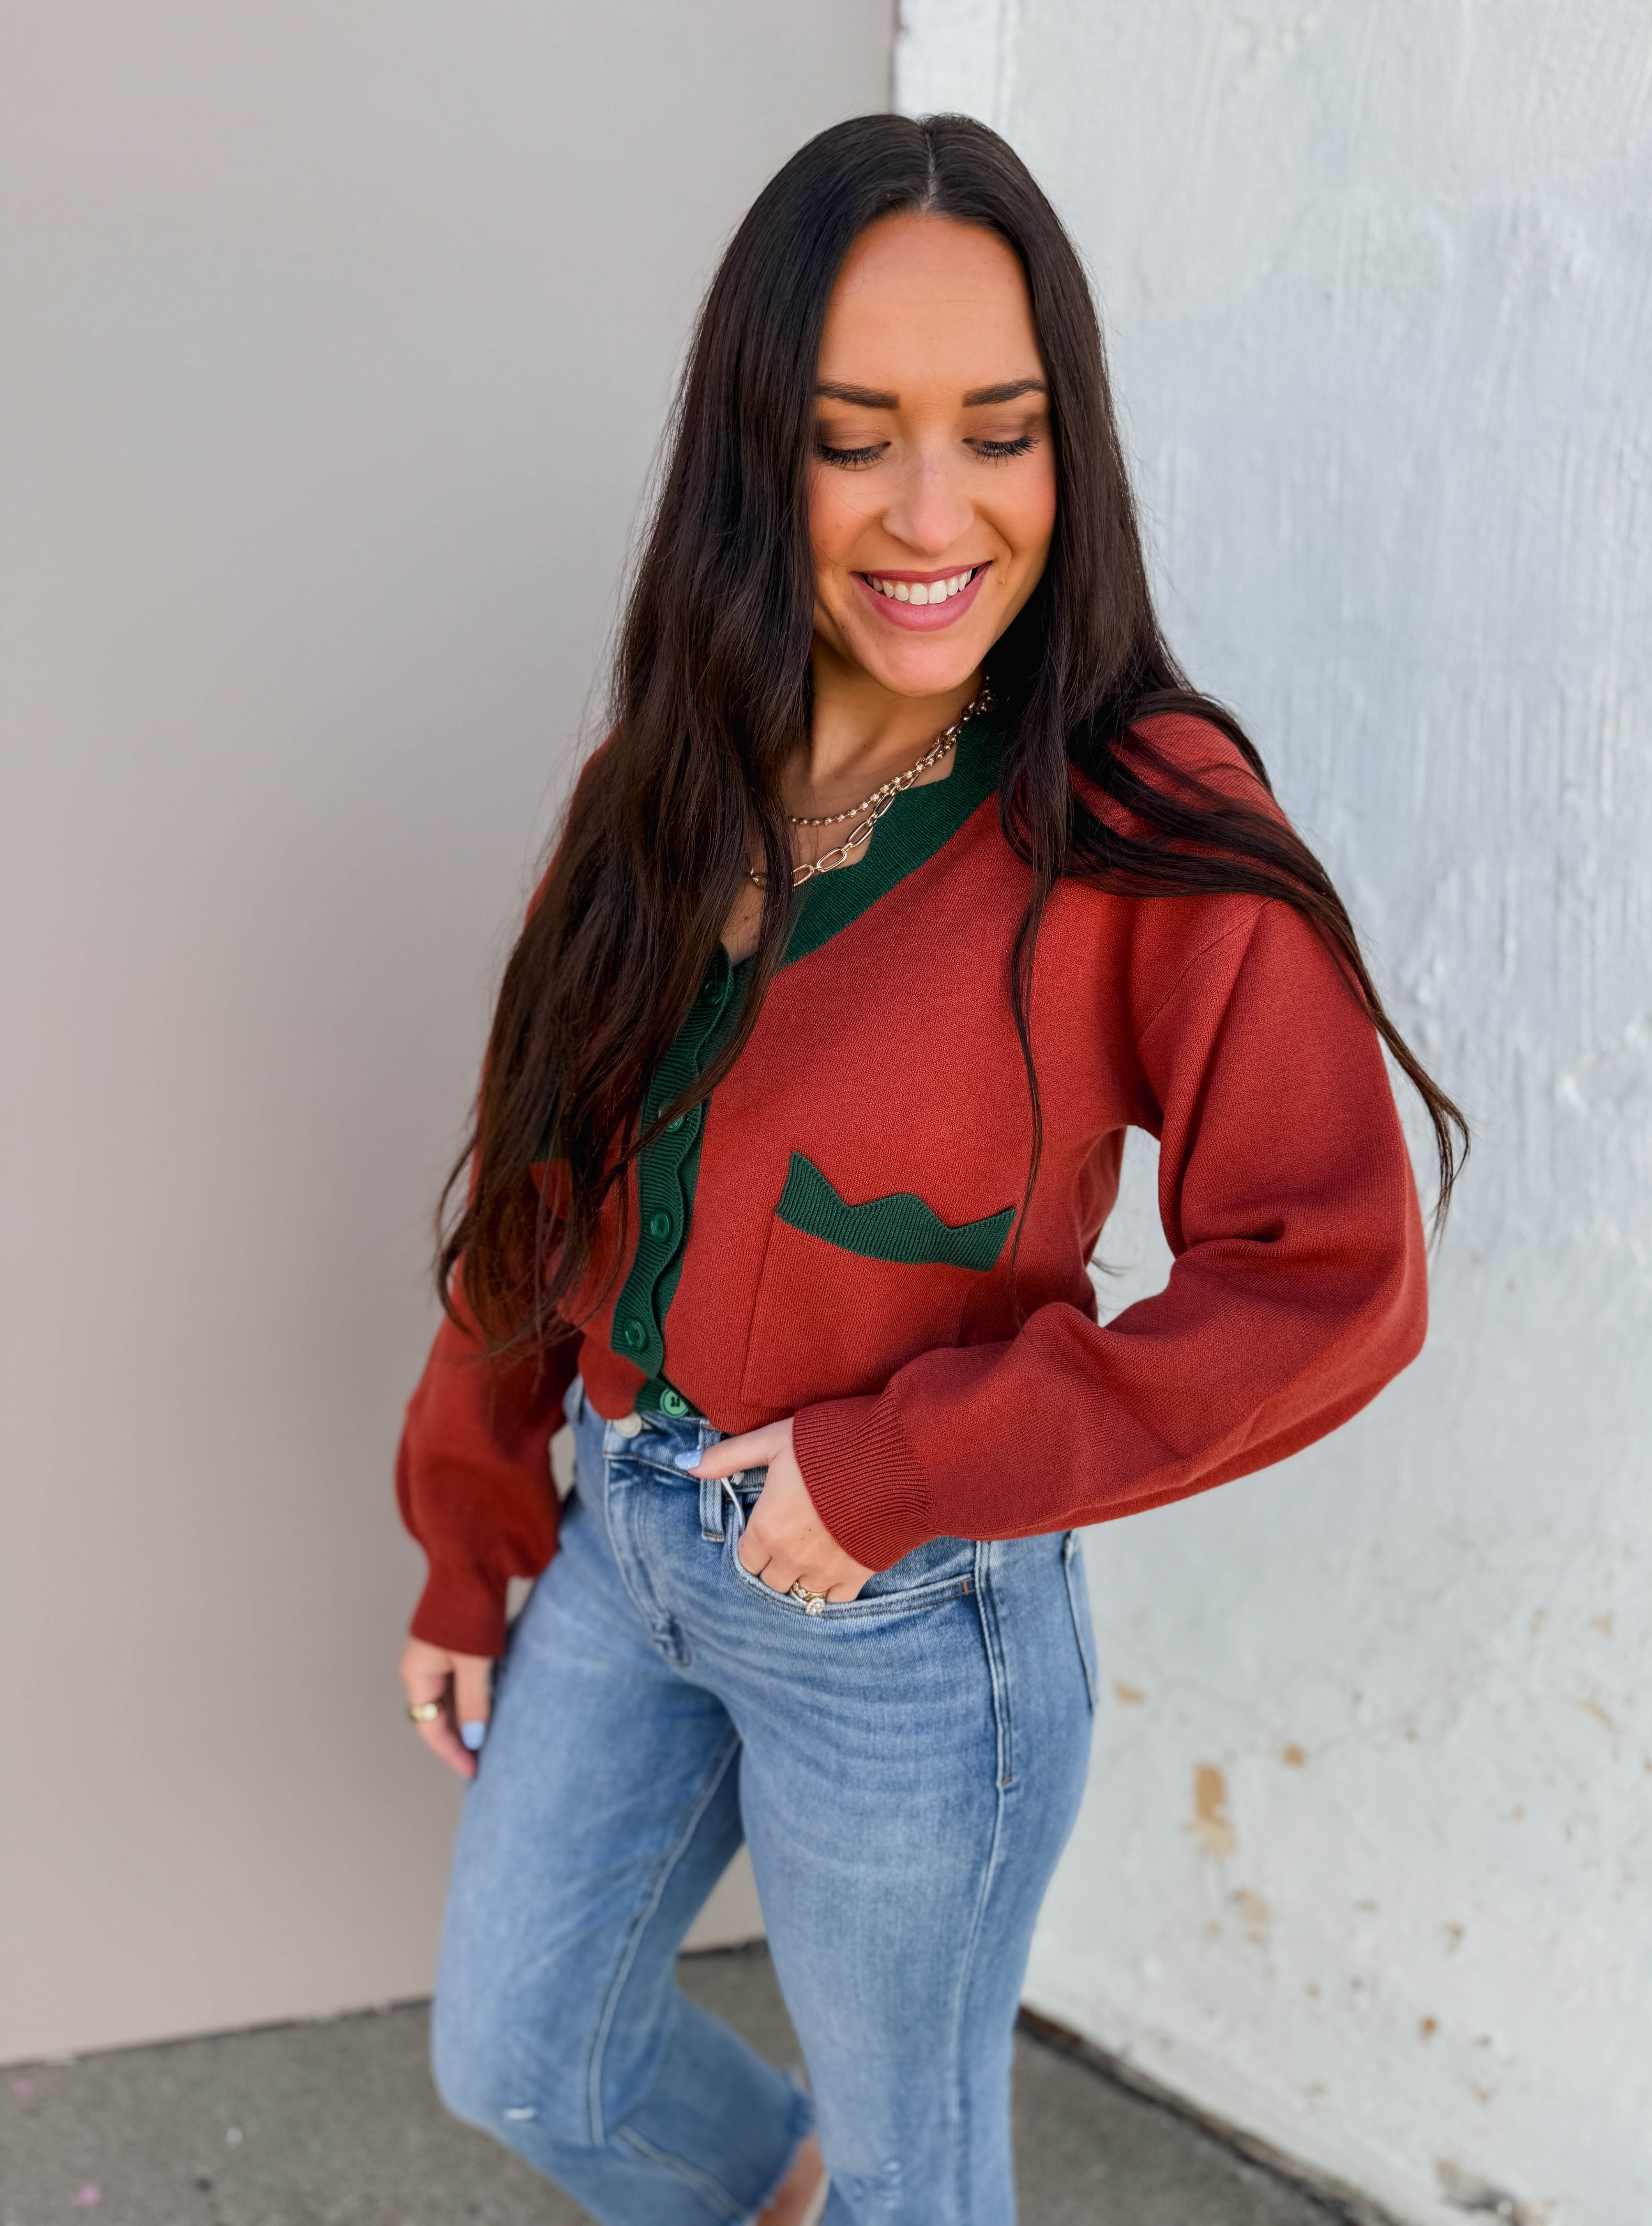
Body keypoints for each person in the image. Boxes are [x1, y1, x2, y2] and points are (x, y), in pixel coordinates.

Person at [393, 112, 1464, 2226]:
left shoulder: (1136, 813)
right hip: (623, 1538)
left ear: (1072, 450)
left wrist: (902, 1468)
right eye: (851, 438)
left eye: (1001, 431)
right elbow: (536, 1187)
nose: (932, 512)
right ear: (754, 455)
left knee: (924, 2175)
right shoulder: (660, 779)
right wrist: (466, 1524)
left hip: (906, 1621)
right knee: (521, 2056)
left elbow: (1334, 1276)